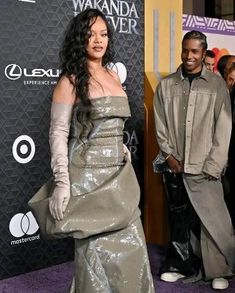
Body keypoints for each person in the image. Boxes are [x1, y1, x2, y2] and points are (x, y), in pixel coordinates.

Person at [30, 8, 154, 293]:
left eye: (103, 33)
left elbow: (111, 121)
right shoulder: (70, 81)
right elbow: (59, 132)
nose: (98, 40)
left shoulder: (112, 74)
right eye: (90, 34)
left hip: (117, 177)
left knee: (133, 246)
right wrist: (62, 182)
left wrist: (119, 144)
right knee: (95, 258)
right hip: (86, 179)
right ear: (79, 39)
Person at [153, 30, 235, 290]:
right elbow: (160, 124)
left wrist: (214, 164)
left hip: (205, 167)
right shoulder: (166, 85)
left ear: (203, 52)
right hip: (175, 166)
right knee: (179, 220)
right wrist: (168, 155)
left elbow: (223, 128)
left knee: (212, 220)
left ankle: (218, 270)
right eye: (185, 50)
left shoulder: (216, 84)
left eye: (195, 51)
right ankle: (180, 265)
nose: (189, 56)